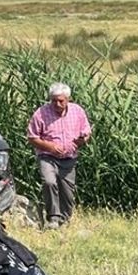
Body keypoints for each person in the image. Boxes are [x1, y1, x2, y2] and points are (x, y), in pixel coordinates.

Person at [26, 83, 92, 228]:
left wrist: (82, 140)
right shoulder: (41, 113)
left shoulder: (77, 111)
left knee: (67, 191)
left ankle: (65, 220)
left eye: (61, 101)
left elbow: (87, 131)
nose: (57, 104)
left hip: (69, 158)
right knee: (49, 182)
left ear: (68, 99)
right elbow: (32, 137)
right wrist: (50, 147)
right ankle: (53, 218)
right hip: (47, 157)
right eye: (54, 100)